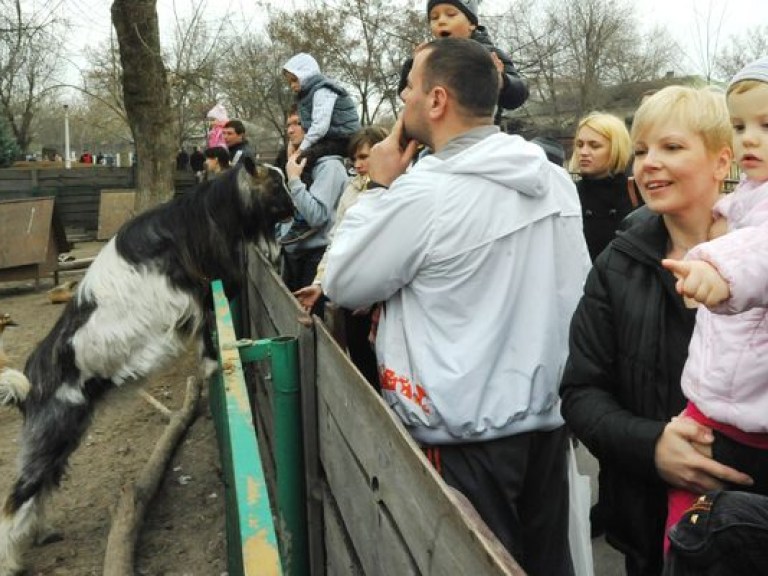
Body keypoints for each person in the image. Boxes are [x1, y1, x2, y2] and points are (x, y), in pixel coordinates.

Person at [324, 38, 590, 575]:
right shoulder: (554, 180)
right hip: (543, 422)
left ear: (437, 100)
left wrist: (377, 187)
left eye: (410, 92)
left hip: (465, 432)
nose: (404, 102)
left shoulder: (425, 195)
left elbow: (345, 281)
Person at [559, 85, 754, 576]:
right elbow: (582, 391)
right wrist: (652, 446)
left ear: (719, 160)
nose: (648, 164)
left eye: (671, 147)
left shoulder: (761, 260)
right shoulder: (617, 264)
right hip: (649, 524)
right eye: (641, 150)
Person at [660, 57, 768, 550]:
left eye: (767, 126)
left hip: (749, 423)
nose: (750, 138)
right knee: (686, 533)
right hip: (711, 409)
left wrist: (714, 268)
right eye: (740, 124)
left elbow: (759, 253)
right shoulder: (745, 198)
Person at [293, 125, 389, 388]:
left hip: (385, 304)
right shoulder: (351, 190)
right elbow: (337, 242)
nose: (358, 164)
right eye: (354, 158)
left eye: (364, 157)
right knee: (363, 371)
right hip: (353, 301)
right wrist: (320, 284)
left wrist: (373, 296)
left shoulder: (399, 191)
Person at [398, 0, 528, 126]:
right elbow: (406, 95)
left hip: (481, 136)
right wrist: (414, 67)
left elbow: (518, 96)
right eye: (434, 17)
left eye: (451, 14)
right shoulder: (428, 57)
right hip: (437, 137)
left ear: (471, 24)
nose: (441, 21)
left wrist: (501, 81)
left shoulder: (489, 55)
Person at [281, 53, 361, 245]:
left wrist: (302, 150)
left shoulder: (322, 90)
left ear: (305, 74)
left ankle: (304, 221)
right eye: (289, 82)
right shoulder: (308, 94)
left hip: (343, 137)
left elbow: (320, 126)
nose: (292, 86)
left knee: (304, 161)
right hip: (331, 136)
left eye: (294, 80)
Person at [278, 109, 348, 318]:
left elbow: (317, 215)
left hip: (316, 259)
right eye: (288, 124)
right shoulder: (300, 163)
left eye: (298, 123)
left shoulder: (330, 166)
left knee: (313, 326)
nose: (290, 130)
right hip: (294, 254)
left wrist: (294, 180)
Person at [569, 111, 636, 261]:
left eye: (594, 146)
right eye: (580, 145)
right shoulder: (569, 193)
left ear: (616, 148)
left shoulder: (636, 192)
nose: (583, 152)